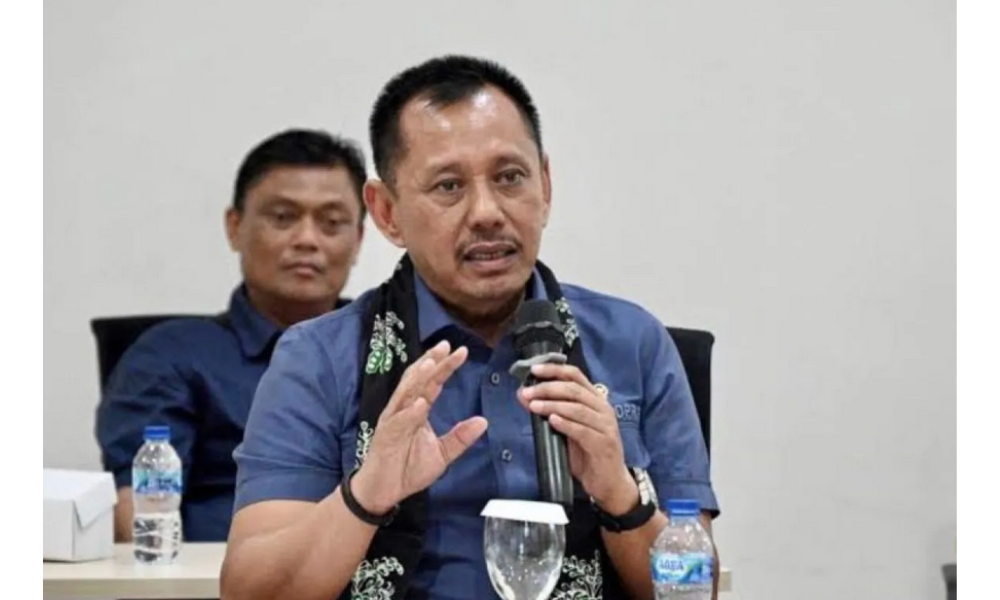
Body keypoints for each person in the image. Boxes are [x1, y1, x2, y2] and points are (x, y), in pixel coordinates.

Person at [222, 57, 720, 600]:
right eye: (449, 186)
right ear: (386, 212)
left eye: (509, 178)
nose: (487, 212)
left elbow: (694, 592)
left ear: (545, 186)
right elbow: (251, 592)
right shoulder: (319, 358)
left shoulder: (632, 342)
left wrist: (620, 496)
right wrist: (365, 495)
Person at [94, 129, 367, 543]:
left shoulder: (396, 348)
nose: (307, 240)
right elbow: (142, 520)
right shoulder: (171, 356)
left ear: (358, 240)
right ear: (235, 227)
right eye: (283, 217)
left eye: (331, 223)